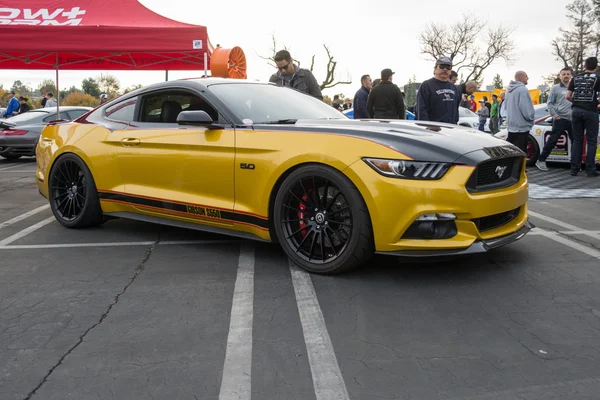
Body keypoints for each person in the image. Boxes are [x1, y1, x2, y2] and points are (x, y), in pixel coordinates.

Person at [566, 57, 600, 176]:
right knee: (591, 141)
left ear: (584, 66)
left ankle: (574, 168)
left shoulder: (575, 78)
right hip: (591, 111)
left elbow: (568, 96)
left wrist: (576, 102)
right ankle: (590, 169)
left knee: (577, 140)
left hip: (576, 110)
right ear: (596, 67)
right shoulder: (597, 78)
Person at [536, 67, 573, 171]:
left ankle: (574, 164)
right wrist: (556, 116)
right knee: (553, 140)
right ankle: (541, 160)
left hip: (572, 120)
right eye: (564, 74)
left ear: (571, 76)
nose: (566, 76)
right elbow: (549, 103)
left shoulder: (574, 88)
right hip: (560, 119)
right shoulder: (555, 88)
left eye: (568, 74)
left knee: (575, 142)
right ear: (560, 76)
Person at [415, 56, 460, 123]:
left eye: (448, 67)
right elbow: (421, 110)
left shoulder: (454, 88)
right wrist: (426, 125)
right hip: (432, 129)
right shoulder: (426, 85)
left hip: (450, 128)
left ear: (450, 70)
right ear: (435, 69)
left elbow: (456, 110)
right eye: (442, 66)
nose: (445, 69)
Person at [505, 71, 534, 153]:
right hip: (521, 126)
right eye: (526, 76)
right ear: (521, 78)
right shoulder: (523, 90)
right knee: (521, 151)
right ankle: (519, 166)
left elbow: (505, 106)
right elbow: (526, 108)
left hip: (511, 125)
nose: (527, 78)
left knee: (510, 150)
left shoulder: (508, 90)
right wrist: (531, 118)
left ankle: (509, 165)